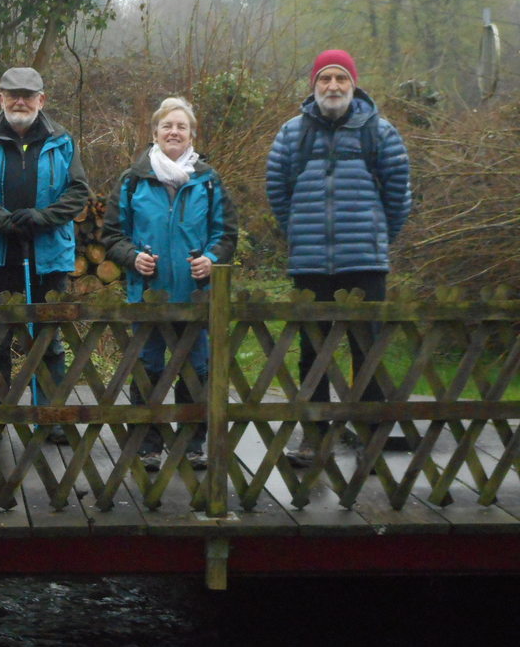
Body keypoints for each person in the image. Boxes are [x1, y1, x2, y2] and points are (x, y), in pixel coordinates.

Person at [266, 49, 412, 466]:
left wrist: (377, 238)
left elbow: (399, 195)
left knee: (367, 349)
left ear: (353, 84)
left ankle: (370, 437)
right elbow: (277, 191)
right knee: (312, 351)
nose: (333, 86)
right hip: (310, 263)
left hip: (365, 261)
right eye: (325, 79)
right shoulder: (292, 134)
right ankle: (313, 439)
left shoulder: (380, 132)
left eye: (341, 79)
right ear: (313, 85)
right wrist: (299, 234)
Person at [102, 97, 239, 471]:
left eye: (181, 126)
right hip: (148, 294)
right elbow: (112, 235)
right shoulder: (132, 181)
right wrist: (133, 257)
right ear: (155, 133)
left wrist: (211, 259)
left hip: (196, 296)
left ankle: (192, 444)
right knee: (148, 367)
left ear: (192, 134)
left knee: (197, 369)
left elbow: (226, 233)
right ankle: (147, 445)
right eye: (167, 126)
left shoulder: (209, 181)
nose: (174, 132)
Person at [0, 67, 91, 444]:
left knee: (48, 339)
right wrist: (1, 220)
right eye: (13, 94)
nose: (20, 101)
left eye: (28, 95)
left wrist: (42, 218)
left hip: (47, 254)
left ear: (41, 100)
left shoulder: (62, 140)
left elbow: (78, 191)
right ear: (1, 98)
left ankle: (49, 416)